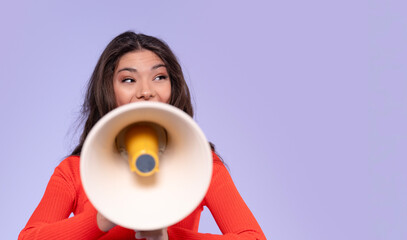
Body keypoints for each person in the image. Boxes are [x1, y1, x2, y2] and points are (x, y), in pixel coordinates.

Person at [19, 31, 266, 240]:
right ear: (108, 90)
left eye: (159, 77)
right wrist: (103, 219)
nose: (146, 91)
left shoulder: (201, 162)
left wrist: (167, 234)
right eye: (128, 79)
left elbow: (252, 237)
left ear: (173, 88)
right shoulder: (74, 171)